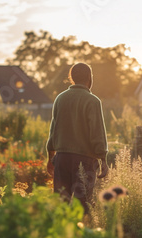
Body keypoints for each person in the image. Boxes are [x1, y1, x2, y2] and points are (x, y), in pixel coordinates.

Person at [46, 62, 108, 215]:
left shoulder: (60, 99)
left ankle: (61, 236)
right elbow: (97, 133)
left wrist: (50, 157)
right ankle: (82, 235)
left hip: (62, 159)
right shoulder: (93, 101)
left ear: (71, 78)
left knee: (61, 205)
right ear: (89, 77)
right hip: (85, 161)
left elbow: (53, 131)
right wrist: (103, 159)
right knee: (83, 206)